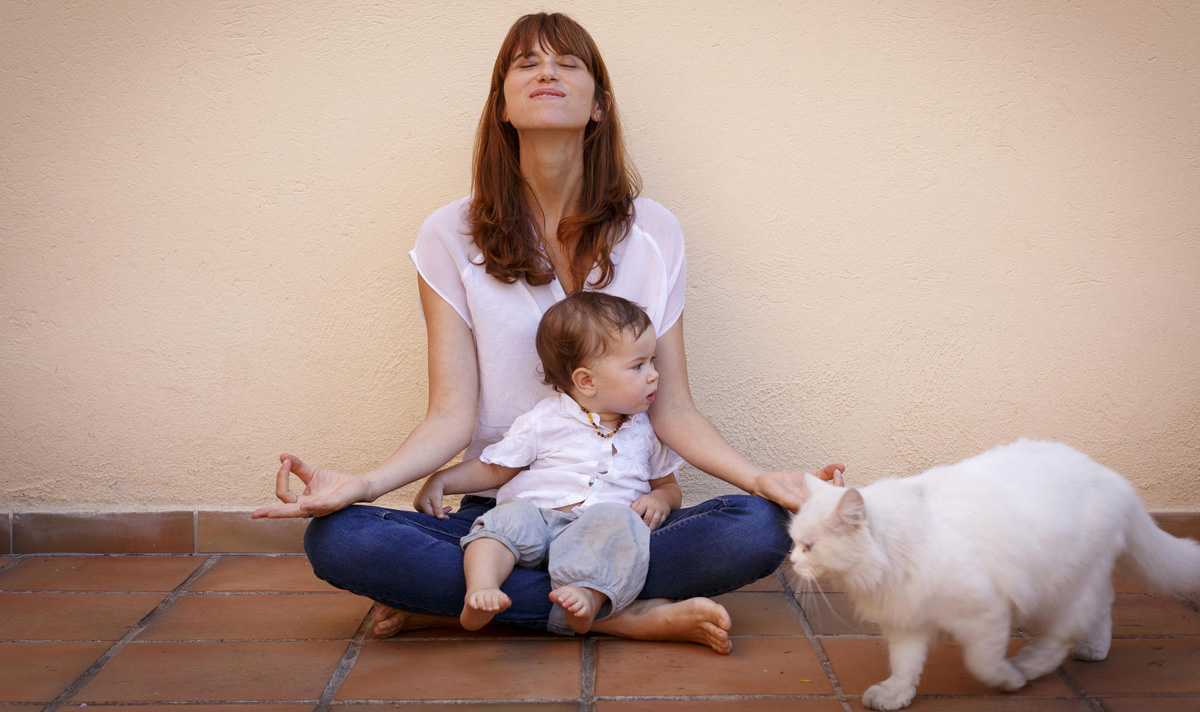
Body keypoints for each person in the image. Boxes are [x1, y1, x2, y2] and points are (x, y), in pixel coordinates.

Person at [252, 11, 843, 655]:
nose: (546, 73)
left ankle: (471, 607)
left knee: (757, 525)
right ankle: (617, 611)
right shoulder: (449, 235)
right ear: (502, 105)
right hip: (505, 514)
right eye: (526, 63)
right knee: (341, 539)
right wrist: (364, 485)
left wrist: (762, 481)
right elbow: (451, 414)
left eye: (568, 63)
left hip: (616, 520)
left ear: (598, 104)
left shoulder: (655, 232)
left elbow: (670, 406)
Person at [419, 292, 684, 635]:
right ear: (586, 381)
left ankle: (585, 595)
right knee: (505, 518)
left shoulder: (646, 430)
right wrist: (442, 481)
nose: (654, 375)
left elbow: (668, 487)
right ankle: (482, 587)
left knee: (622, 524)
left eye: (652, 361)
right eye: (638, 366)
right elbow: (496, 468)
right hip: (536, 518)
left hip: (595, 533)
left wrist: (660, 499)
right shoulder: (546, 418)